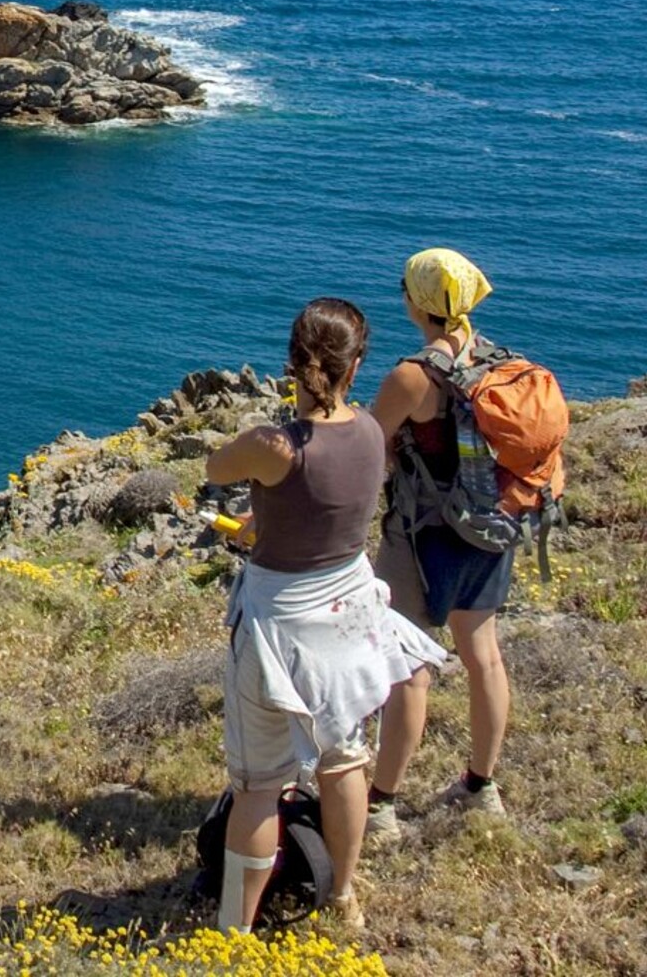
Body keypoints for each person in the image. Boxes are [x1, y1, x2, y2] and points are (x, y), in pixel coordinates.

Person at [206, 298, 445, 931]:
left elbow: (214, 468)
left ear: (292, 362)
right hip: (346, 624)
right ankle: (344, 896)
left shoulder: (273, 445)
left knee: (259, 786)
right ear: (356, 364)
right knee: (343, 762)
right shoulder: (371, 429)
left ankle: (234, 931)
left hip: (275, 630)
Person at [367, 248, 517, 837]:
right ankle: (482, 786)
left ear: (420, 302)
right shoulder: (499, 363)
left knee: (409, 668)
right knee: (483, 657)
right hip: (491, 528)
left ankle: (382, 803)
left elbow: (372, 447)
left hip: (425, 535)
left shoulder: (413, 376)